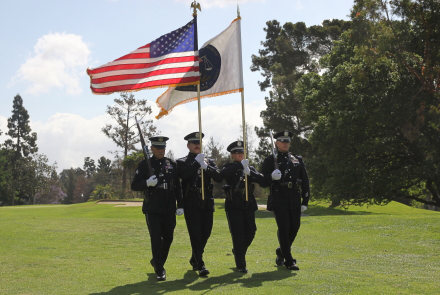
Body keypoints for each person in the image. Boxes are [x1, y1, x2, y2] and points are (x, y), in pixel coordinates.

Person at [131, 136, 184, 281]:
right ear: (152, 148)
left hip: (168, 206)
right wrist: (147, 183)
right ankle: (160, 269)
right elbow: (134, 185)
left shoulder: (171, 164)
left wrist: (181, 205)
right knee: (156, 238)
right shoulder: (145, 164)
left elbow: (177, 186)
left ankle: (157, 261)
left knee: (168, 238)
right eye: (158, 148)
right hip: (153, 206)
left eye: (163, 148)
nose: (161, 150)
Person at [261, 131, 310, 271]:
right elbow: (263, 181)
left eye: (287, 141)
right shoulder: (271, 159)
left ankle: (281, 251)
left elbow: (305, 180)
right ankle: (289, 260)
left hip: (294, 197)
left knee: (294, 228)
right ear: (276, 143)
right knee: (284, 228)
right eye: (282, 141)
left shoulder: (296, 159)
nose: (286, 144)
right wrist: (271, 177)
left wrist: (305, 200)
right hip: (279, 197)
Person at [177, 131, 223, 277]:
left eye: (199, 143)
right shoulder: (182, 161)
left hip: (207, 200)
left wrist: (206, 166)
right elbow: (183, 176)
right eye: (194, 143)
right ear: (188, 145)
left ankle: (194, 257)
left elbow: (219, 177)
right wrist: (196, 162)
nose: (197, 145)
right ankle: (200, 263)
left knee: (206, 232)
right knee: (195, 233)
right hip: (191, 200)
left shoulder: (209, 161)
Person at [221, 140, 265, 273]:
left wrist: (251, 172)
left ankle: (238, 251)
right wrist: (239, 166)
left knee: (251, 231)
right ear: (232, 155)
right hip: (234, 203)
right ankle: (241, 264)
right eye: (236, 152)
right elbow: (222, 175)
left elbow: (262, 181)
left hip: (248, 203)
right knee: (238, 234)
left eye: (241, 152)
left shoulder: (249, 168)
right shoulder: (228, 167)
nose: (240, 154)